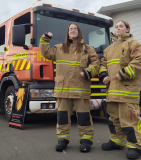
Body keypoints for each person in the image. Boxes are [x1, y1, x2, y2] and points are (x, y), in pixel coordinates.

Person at [39, 23, 100, 152]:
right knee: (62, 117)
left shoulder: (88, 49)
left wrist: (89, 71)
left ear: (79, 31)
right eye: (70, 29)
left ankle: (86, 140)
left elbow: (96, 64)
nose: (72, 30)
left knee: (84, 117)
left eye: (75, 28)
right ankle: (62, 139)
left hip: (81, 90)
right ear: (67, 32)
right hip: (63, 90)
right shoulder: (59, 48)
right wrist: (45, 39)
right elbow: (46, 54)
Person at [99, 20, 141, 159]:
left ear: (127, 29)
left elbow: (140, 61)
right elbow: (103, 64)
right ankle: (117, 141)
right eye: (117, 26)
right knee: (114, 119)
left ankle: (135, 146)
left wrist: (123, 73)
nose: (118, 28)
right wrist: (104, 75)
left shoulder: (134, 43)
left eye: (121, 26)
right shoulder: (109, 49)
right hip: (112, 91)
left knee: (130, 119)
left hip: (127, 90)